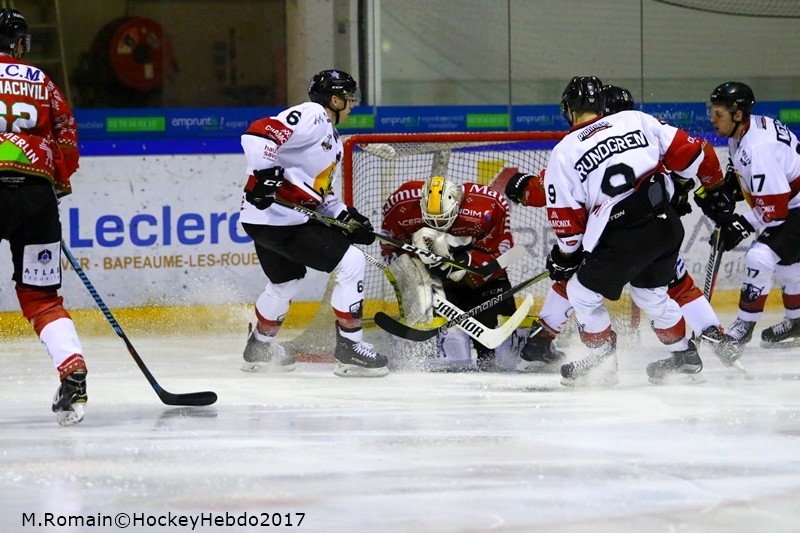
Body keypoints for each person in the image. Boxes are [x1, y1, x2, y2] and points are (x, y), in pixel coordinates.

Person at [506, 83, 730, 372]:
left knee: (580, 289)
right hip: (665, 226)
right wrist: (712, 190)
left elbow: (558, 199)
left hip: (620, 235)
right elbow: (695, 151)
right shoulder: (638, 122)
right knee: (658, 291)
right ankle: (691, 348)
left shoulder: (571, 147)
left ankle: (597, 358)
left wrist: (563, 250)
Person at [238, 69, 388, 377]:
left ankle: (259, 348)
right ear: (334, 100)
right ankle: (350, 349)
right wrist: (264, 175)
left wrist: (345, 216)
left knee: (285, 282)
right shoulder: (313, 115)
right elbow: (258, 133)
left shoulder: (333, 139)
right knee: (352, 262)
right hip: (283, 221)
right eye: (348, 98)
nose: (352, 105)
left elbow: (319, 192)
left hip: (265, 221)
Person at [0, 9, 85, 425]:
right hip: (34, 195)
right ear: (18, 42)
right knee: (41, 299)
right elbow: (66, 134)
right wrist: (55, 183)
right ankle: (72, 370)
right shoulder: (40, 80)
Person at [380, 176, 518, 371]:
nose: (437, 224)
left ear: (457, 206)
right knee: (452, 359)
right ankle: (422, 353)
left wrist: (466, 262)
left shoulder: (489, 205)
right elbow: (390, 248)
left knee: (501, 359)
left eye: (443, 219)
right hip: (440, 285)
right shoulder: (401, 204)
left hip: (482, 282)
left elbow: (502, 250)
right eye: (430, 219)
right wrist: (415, 272)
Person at [704, 81, 800, 358]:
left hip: (792, 204)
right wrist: (730, 190)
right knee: (787, 263)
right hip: (791, 201)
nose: (712, 119)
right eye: (712, 111)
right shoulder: (744, 130)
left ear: (737, 114)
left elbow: (775, 210)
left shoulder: (757, 147)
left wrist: (740, 225)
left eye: (718, 113)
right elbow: (745, 170)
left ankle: (743, 328)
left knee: (760, 257)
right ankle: (796, 321)